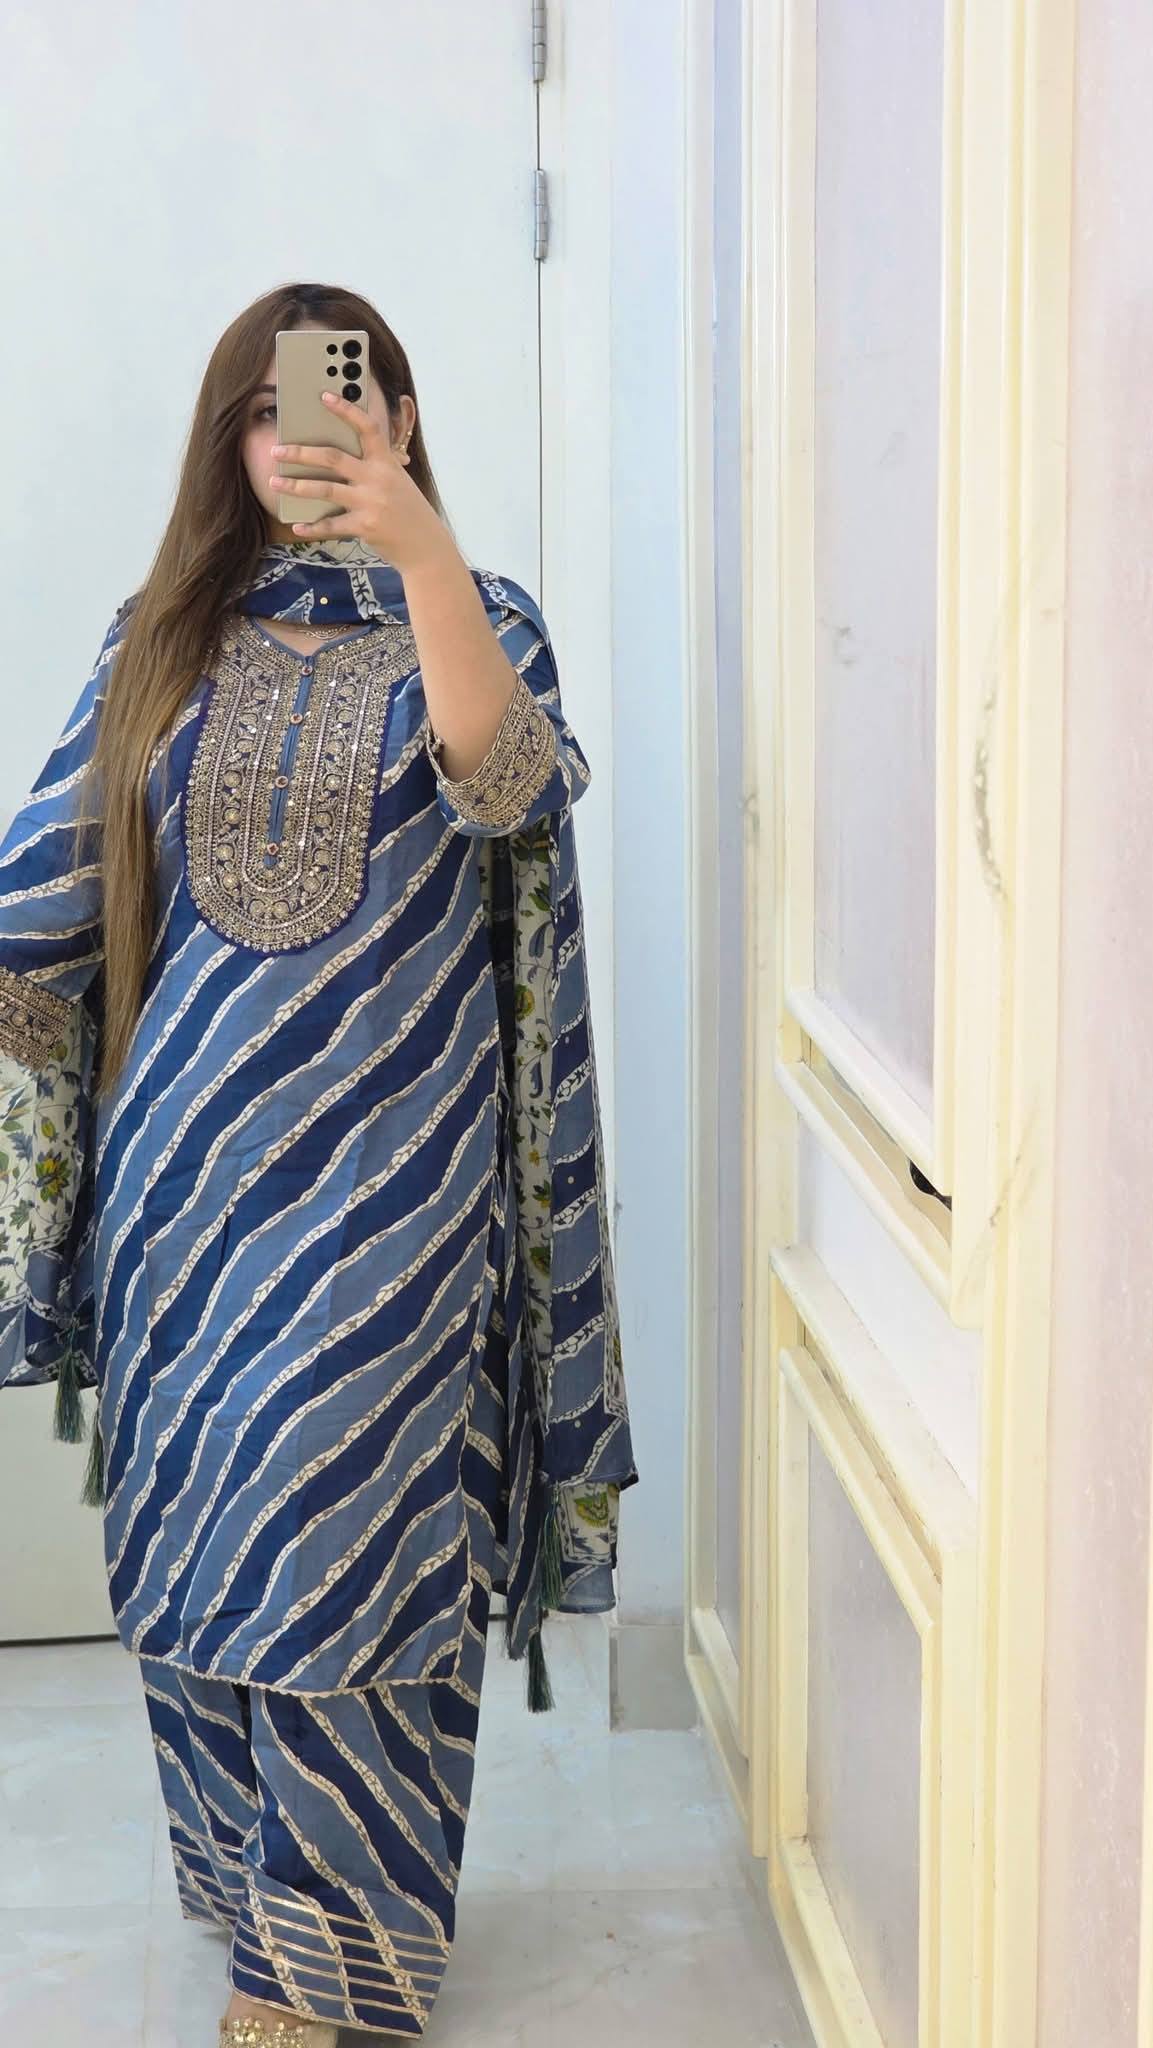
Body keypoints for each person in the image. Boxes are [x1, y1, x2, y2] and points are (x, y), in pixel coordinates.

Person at [0, 282, 638, 2045]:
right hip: (184, 1195)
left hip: (397, 1199)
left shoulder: (481, 619)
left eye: (345, 403)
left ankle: (322, 1974)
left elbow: (508, 785)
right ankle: (244, 1883)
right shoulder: (158, 642)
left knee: (352, 1542)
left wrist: (419, 552)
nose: (303, 437)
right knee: (203, 1547)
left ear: (401, 423)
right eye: (266, 410)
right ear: (228, 440)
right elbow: (45, 896)